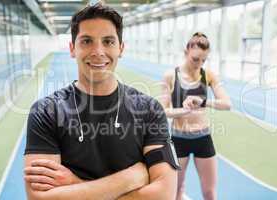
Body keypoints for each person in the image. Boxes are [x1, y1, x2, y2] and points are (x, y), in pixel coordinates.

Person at [23, 3, 179, 200]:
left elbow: (164, 195)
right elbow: (38, 198)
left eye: (108, 42)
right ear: (72, 49)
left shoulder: (149, 110)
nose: (98, 51)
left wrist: (75, 185)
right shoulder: (46, 112)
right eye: (87, 41)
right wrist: (128, 179)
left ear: (121, 48)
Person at [160, 32, 231, 200]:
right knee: (176, 190)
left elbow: (227, 104)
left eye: (204, 60)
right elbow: (162, 111)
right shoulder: (170, 76)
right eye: (195, 59)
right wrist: (182, 110)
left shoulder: (208, 75)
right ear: (186, 52)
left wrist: (203, 102)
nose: (199, 64)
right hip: (179, 139)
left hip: (203, 138)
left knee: (209, 193)